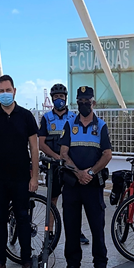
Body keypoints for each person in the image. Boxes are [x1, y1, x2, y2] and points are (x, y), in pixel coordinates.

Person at [0, 75, 40, 268]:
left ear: (15, 91)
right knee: (0, 219)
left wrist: (34, 177)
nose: (5, 94)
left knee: (23, 218)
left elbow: (34, 147)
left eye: (8, 90)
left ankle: (26, 260)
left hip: (21, 177)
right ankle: (0, 261)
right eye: (1, 91)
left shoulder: (26, 116)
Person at [58, 86, 112, 268]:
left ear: (93, 103)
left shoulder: (101, 126)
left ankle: (100, 265)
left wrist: (89, 172)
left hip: (93, 184)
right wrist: (78, 172)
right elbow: (63, 153)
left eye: (87, 102)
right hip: (72, 184)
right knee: (71, 227)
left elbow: (107, 155)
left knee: (97, 227)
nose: (83, 105)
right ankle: (73, 264)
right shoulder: (69, 124)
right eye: (80, 102)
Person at [38, 83, 88, 245]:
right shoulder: (46, 118)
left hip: (69, 166)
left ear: (66, 98)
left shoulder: (73, 117)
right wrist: (55, 157)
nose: (59, 100)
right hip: (53, 165)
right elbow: (41, 143)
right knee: (52, 199)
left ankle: (77, 232)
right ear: (52, 99)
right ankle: (50, 232)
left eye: (61, 97)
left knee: (73, 200)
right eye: (56, 97)